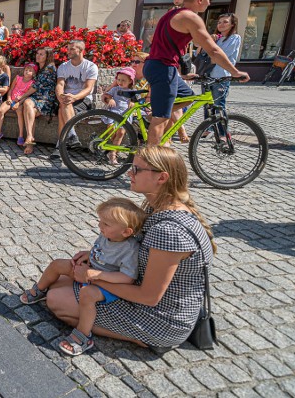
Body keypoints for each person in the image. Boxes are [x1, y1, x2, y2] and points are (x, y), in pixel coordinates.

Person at [45, 145, 217, 353]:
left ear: (161, 178)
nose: (129, 173)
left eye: (137, 169)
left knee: (55, 298)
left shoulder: (169, 231)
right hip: (140, 292)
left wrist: (92, 277)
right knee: (60, 282)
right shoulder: (158, 206)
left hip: (161, 319)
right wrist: (96, 257)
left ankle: (142, 339)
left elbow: (149, 297)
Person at [21, 198, 146, 356]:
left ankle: (83, 336)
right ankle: (40, 290)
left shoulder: (129, 249)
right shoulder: (109, 235)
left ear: (126, 232)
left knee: (88, 296)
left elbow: (127, 278)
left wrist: (97, 275)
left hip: (106, 284)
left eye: (106, 224)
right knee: (57, 264)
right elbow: (103, 251)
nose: (100, 226)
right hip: (91, 270)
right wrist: (89, 254)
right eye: (100, 221)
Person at [143, 0, 249, 146]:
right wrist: (235, 72)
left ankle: (154, 114)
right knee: (161, 118)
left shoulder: (171, 14)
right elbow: (213, 51)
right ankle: (149, 161)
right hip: (162, 68)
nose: (209, 3)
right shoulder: (190, 17)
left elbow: (171, 46)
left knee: (188, 96)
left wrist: (182, 74)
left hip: (160, 66)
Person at [51, 40, 98, 159]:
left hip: (83, 99)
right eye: (68, 49)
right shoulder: (63, 66)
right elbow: (60, 84)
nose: (68, 51)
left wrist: (74, 97)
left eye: (72, 49)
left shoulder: (90, 66)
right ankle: (71, 136)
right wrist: (61, 96)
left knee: (63, 108)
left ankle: (61, 144)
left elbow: (88, 89)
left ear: (81, 51)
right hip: (66, 98)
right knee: (64, 105)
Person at [21, 47, 58, 155]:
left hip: (46, 100)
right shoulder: (40, 67)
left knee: (27, 108)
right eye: (38, 53)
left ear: (48, 56)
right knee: (28, 104)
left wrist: (21, 97)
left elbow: (35, 87)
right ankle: (30, 137)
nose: (38, 55)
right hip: (36, 97)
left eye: (41, 54)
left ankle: (29, 141)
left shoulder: (50, 68)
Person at [0, 62, 36, 145]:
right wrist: (9, 98)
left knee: (19, 112)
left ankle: (20, 135)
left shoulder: (32, 83)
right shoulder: (17, 78)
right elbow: (10, 89)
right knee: (1, 110)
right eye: (26, 70)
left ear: (34, 73)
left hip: (20, 102)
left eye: (30, 71)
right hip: (11, 99)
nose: (27, 71)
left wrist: (18, 103)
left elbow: (27, 96)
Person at [102, 67, 136, 163]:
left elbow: (134, 99)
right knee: (111, 130)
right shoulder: (115, 89)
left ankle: (113, 153)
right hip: (114, 113)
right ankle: (114, 148)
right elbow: (107, 96)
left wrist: (132, 102)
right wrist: (110, 99)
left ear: (130, 81)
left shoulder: (131, 91)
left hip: (125, 115)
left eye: (123, 80)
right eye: (119, 79)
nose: (120, 82)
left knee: (121, 133)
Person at [208, 13, 241, 111]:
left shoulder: (235, 38)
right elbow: (202, 53)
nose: (221, 24)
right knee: (208, 107)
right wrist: (210, 41)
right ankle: (207, 126)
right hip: (208, 75)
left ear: (232, 24)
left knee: (218, 106)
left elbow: (221, 55)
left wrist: (212, 50)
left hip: (221, 77)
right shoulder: (215, 39)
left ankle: (220, 127)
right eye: (219, 22)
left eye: (225, 22)